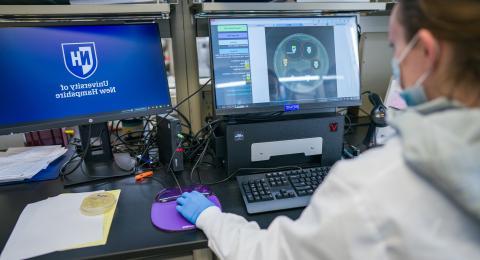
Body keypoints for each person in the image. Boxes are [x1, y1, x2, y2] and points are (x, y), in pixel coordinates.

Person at [175, 1, 480, 259]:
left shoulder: (373, 185)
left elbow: (269, 253)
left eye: (394, 46)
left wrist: (209, 217)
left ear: (426, 52)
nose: (395, 60)